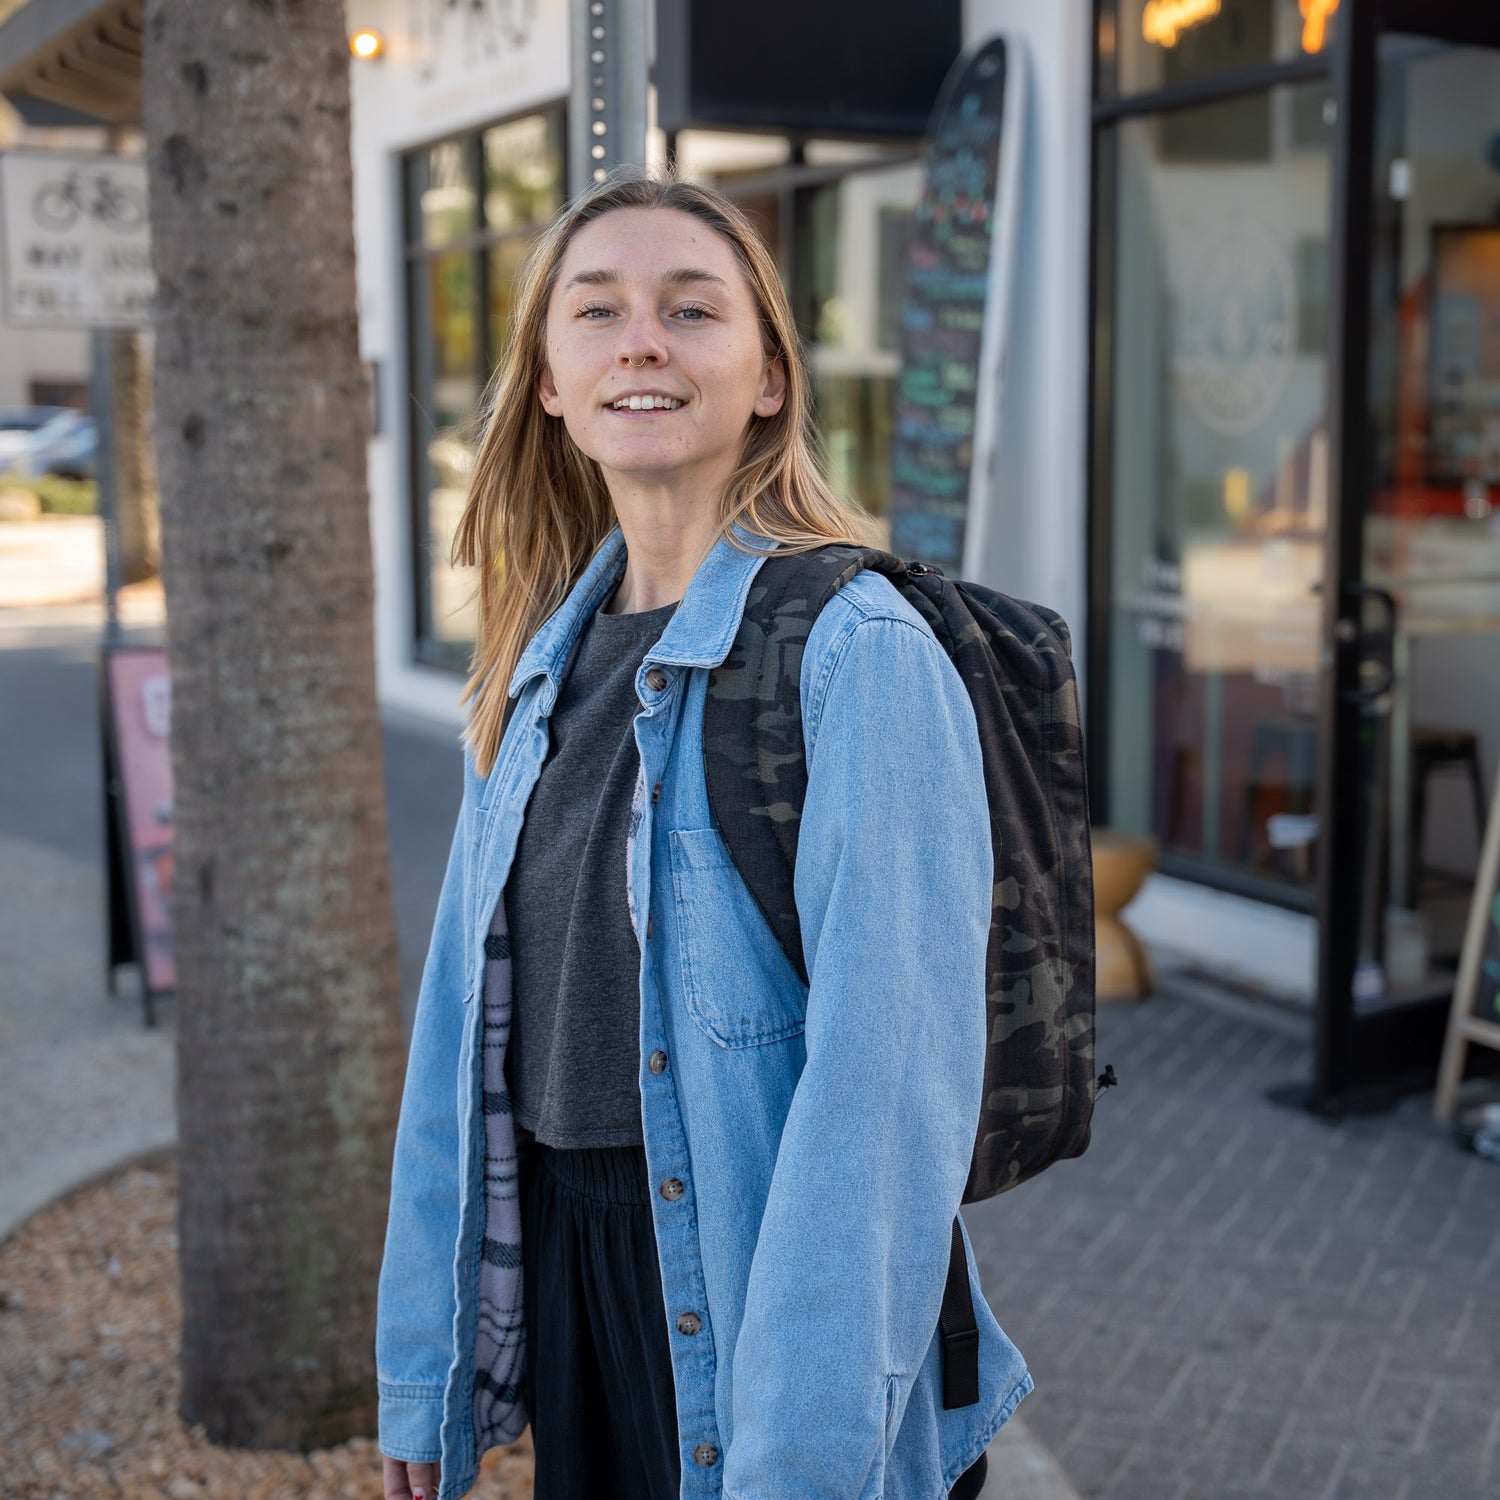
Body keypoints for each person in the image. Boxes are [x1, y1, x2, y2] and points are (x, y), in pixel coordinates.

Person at [376, 165, 1032, 1500]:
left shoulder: (859, 655)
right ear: (550, 380)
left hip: (765, 1292)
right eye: (598, 311)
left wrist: (798, 1467)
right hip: (577, 1279)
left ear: (771, 377)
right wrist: (427, 1367)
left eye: (693, 310)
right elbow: (456, 1041)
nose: (643, 343)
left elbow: (884, 1099)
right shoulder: (532, 671)